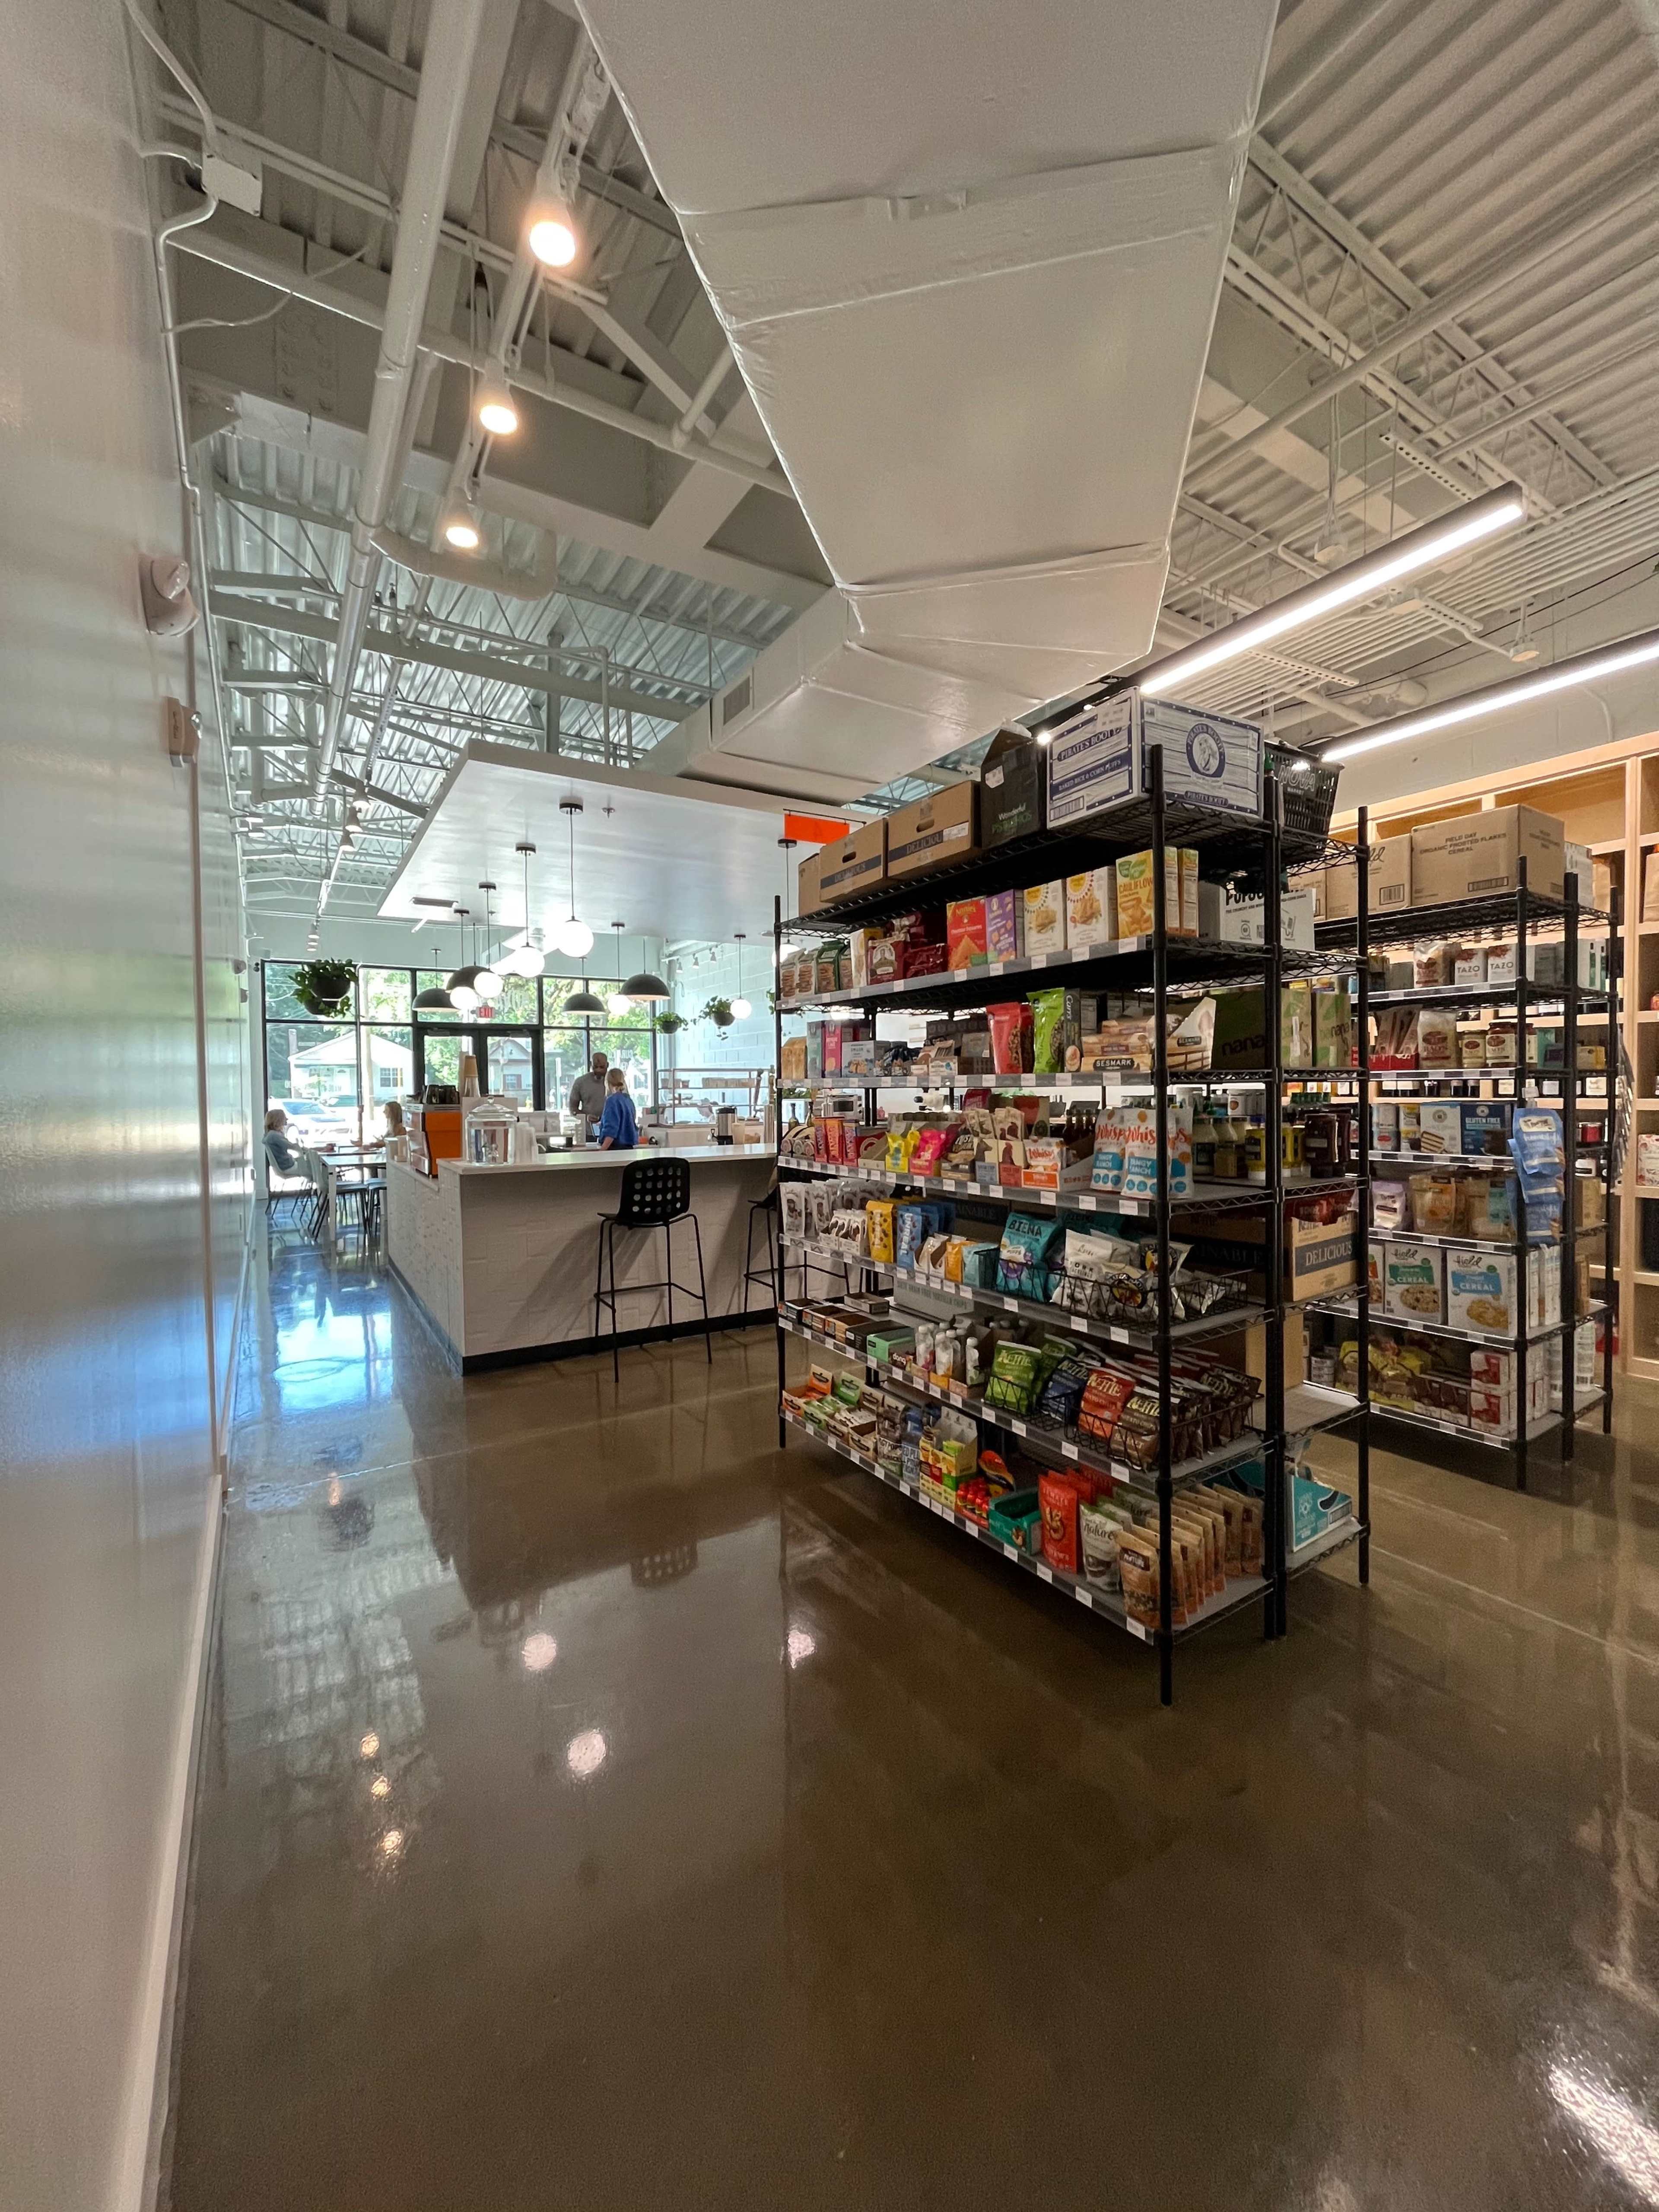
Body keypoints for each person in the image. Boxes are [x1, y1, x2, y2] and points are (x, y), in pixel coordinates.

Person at [597, 1066, 638, 1151]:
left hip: (615, 1149)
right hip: (629, 1149)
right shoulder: (628, 1100)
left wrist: (601, 1152)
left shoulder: (612, 1101)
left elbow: (611, 1131)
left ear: (607, 1083)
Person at [568, 1050, 609, 1133]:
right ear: (591, 1065)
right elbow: (573, 1108)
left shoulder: (615, 1082)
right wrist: (586, 1117)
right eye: (595, 1067)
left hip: (611, 1131)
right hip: (588, 1131)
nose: (599, 1070)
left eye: (602, 1067)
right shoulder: (581, 1082)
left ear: (607, 1065)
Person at [264, 1107, 300, 1176]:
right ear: (278, 1120)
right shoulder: (274, 1136)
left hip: (285, 1166)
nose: (287, 1119)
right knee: (317, 1167)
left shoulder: (271, 1135)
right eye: (284, 1117)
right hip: (288, 1167)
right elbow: (292, 1147)